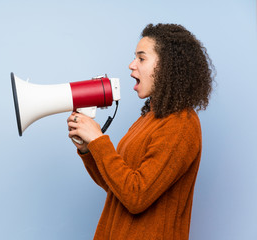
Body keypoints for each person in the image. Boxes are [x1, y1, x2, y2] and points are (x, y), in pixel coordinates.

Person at [67, 23, 214, 240]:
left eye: (141, 58)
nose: (131, 65)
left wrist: (99, 140)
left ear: (167, 67)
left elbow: (136, 196)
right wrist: (89, 149)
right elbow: (117, 187)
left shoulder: (181, 124)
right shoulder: (149, 119)